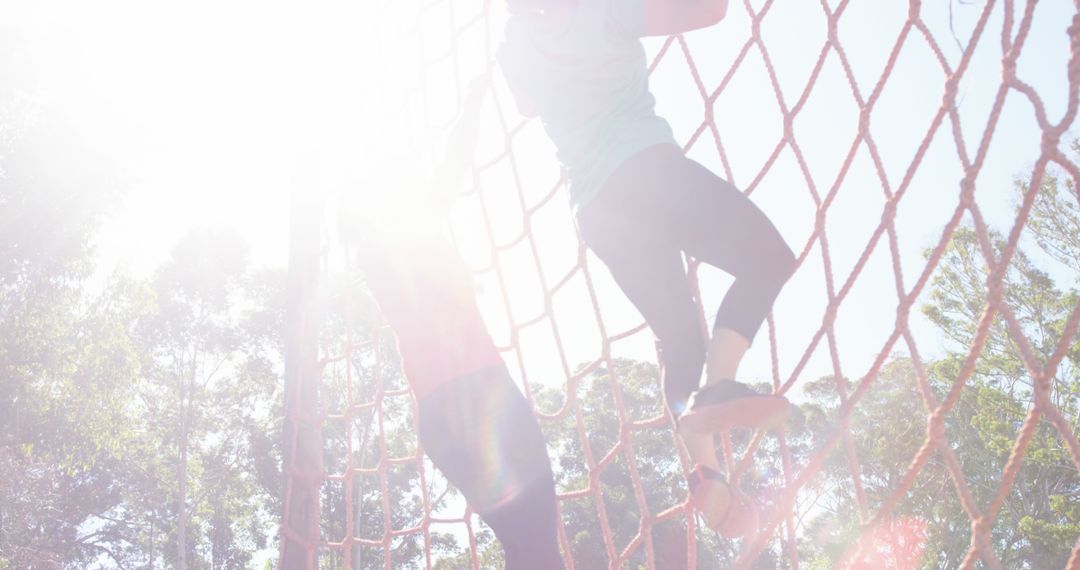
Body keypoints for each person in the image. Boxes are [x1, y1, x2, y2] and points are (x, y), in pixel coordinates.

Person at [498, 0, 796, 536]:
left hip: (598, 213)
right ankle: (720, 387)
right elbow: (712, 11)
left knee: (680, 341)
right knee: (768, 258)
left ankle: (708, 474)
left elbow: (523, 103)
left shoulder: (514, 44)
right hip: (648, 172)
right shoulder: (604, 12)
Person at [350, 77, 564, 569]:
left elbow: (448, 167)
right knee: (538, 551)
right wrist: (471, 105)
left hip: (441, 415)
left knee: (526, 551)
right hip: (482, 395)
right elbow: (452, 162)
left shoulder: (372, 252)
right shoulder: (410, 230)